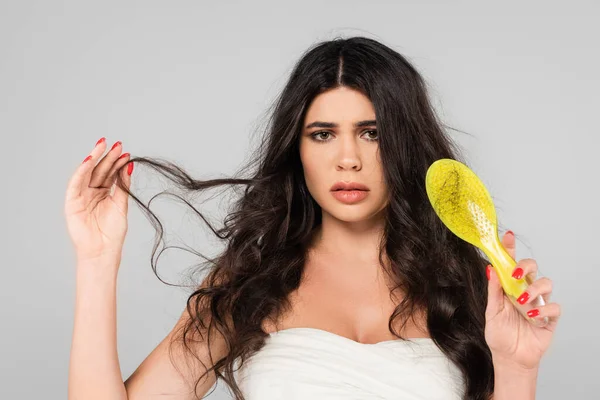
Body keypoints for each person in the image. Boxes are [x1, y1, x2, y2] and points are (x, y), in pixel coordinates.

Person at [64, 36, 561, 400]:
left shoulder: (474, 286)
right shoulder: (250, 282)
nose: (348, 158)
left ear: (406, 146)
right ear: (296, 150)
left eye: (371, 133)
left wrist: (518, 371)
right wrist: (97, 258)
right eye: (323, 134)